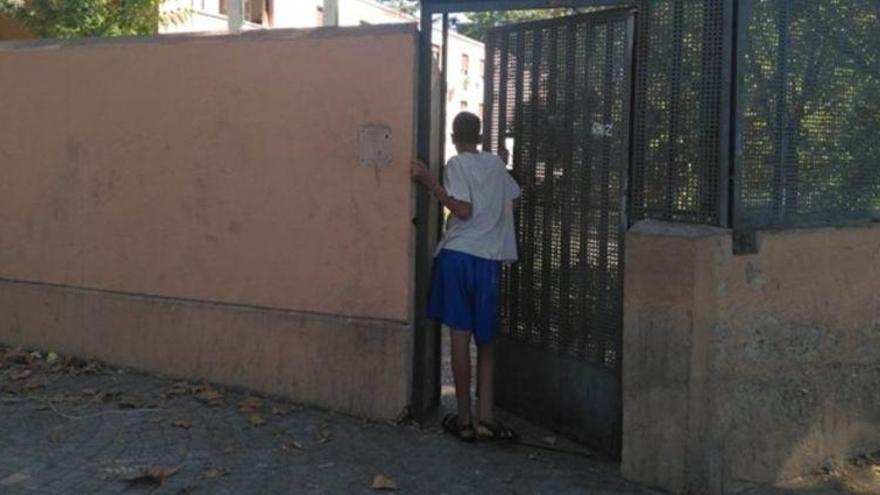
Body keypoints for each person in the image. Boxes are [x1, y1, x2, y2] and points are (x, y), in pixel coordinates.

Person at [411, 112, 520, 442]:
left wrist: (431, 183)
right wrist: (500, 168)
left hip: (459, 257)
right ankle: (486, 419)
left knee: (459, 338)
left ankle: (463, 420)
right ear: (481, 135)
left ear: (454, 135)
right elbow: (513, 202)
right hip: (489, 259)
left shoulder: (456, 164)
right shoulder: (496, 166)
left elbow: (462, 210)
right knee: (485, 342)